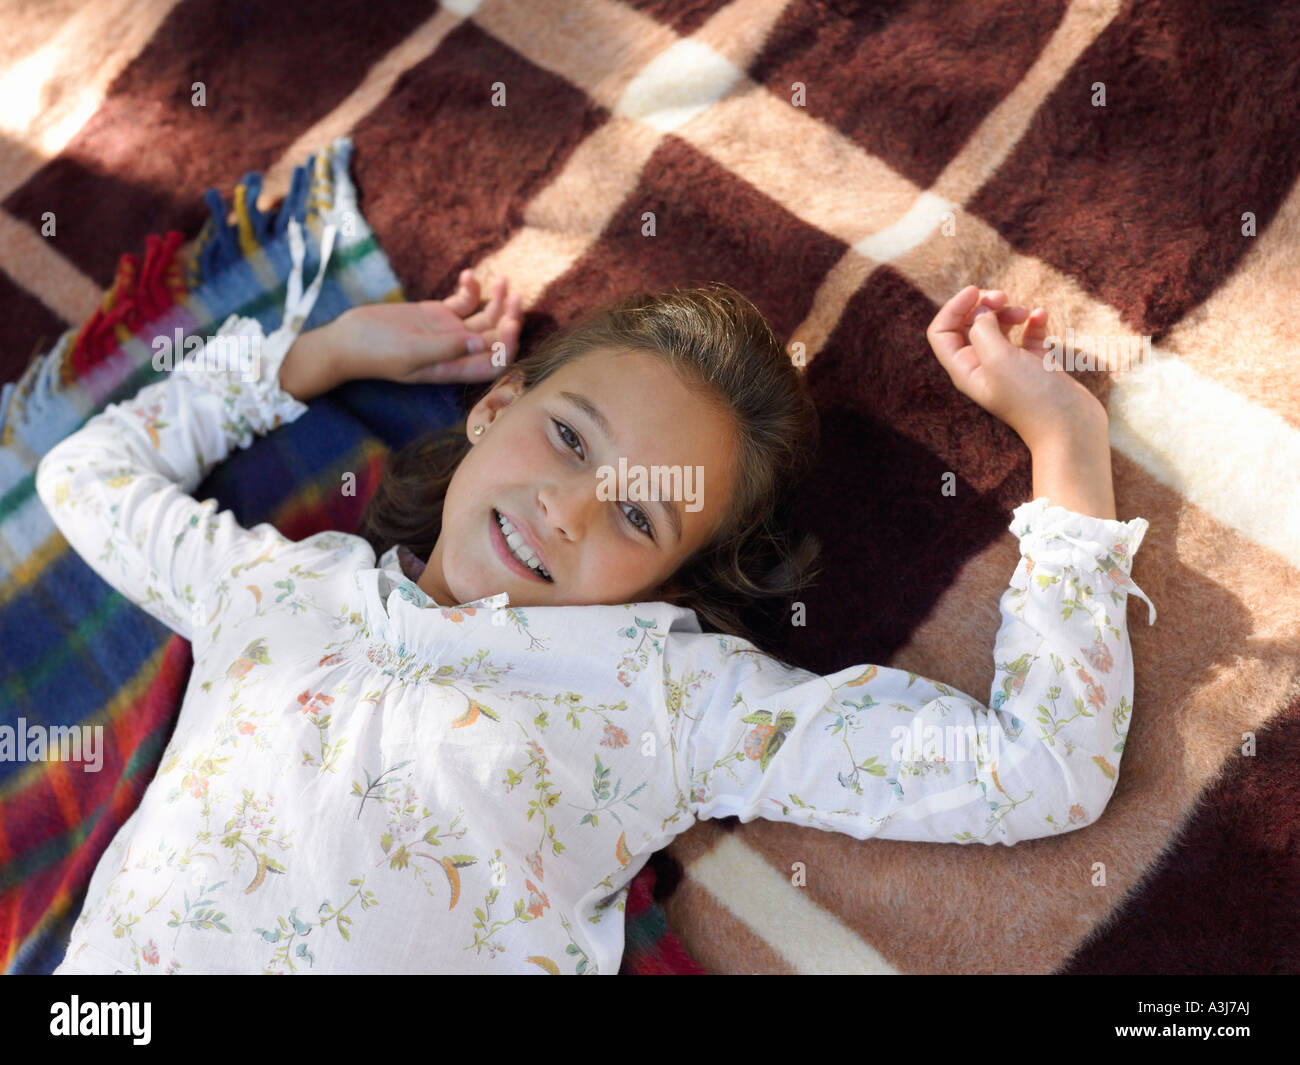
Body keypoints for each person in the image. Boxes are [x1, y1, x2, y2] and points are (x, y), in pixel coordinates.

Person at [37, 216, 1155, 975]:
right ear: (494, 405)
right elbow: (82, 476)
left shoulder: (665, 699)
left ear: (665, 581)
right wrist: (319, 355)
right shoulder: (275, 587)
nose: (566, 511)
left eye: (638, 517)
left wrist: (1065, 442)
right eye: (567, 437)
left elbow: (1036, 769)